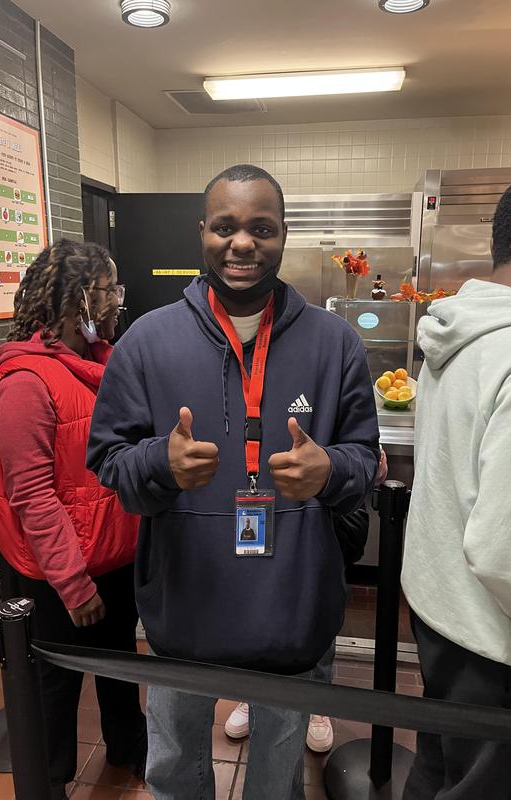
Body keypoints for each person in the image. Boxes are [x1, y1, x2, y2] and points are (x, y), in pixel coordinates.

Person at [87, 164, 380, 800]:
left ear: (282, 236)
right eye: (225, 227)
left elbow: (364, 462)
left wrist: (330, 471)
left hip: (293, 605)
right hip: (184, 606)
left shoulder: (335, 345)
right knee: (172, 769)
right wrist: (160, 465)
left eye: (260, 228)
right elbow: (110, 463)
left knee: (277, 775)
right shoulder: (147, 341)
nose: (242, 243)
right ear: (202, 233)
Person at [401, 166, 511, 800]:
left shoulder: (455, 332)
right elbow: (509, 558)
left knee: (434, 768)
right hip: (488, 639)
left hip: (434, 608)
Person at [0, 239, 147, 800]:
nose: (117, 302)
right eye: (110, 290)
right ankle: (47, 784)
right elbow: (30, 495)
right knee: (54, 690)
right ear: (81, 297)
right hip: (58, 577)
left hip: (112, 559)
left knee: (120, 670)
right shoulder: (26, 382)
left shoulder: (100, 362)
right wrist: (74, 585)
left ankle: (129, 755)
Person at [225, 449, 387, 755]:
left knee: (315, 595)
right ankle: (251, 694)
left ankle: (317, 700)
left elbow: (358, 435)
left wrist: (366, 457)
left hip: (318, 500)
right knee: (254, 593)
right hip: (259, 491)